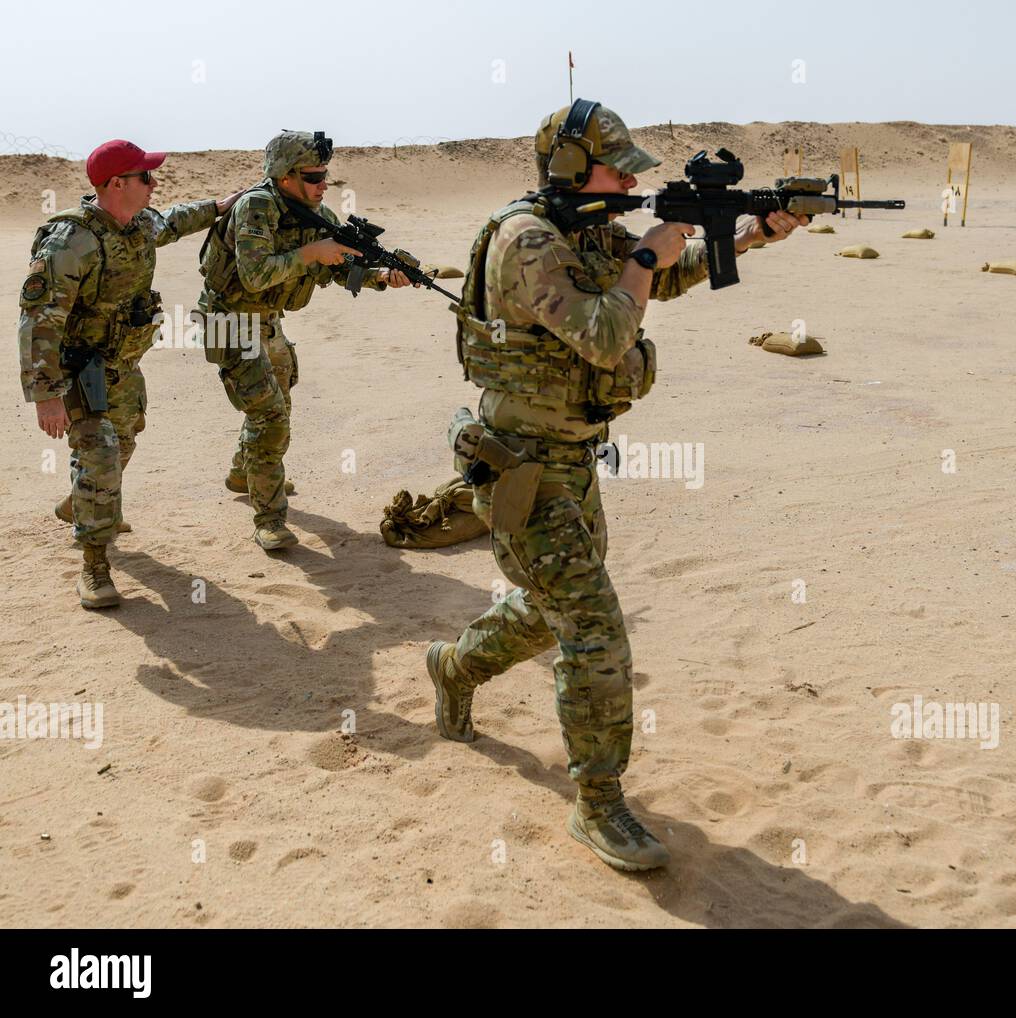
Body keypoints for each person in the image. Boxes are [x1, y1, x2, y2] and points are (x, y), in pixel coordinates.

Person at [427, 100, 807, 871]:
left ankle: (454, 665)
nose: (625, 181)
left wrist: (751, 235)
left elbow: (662, 283)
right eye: (611, 167)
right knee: (594, 629)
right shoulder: (528, 240)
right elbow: (606, 333)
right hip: (521, 465)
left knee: (549, 612)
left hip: (571, 460)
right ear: (568, 169)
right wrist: (644, 257)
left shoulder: (587, 229)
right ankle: (598, 802)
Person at [19, 139, 239, 608]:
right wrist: (46, 395)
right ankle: (94, 565)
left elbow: (176, 221)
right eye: (145, 177)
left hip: (123, 364)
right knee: (99, 453)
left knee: (127, 438)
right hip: (79, 368)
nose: (154, 183)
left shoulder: (138, 223)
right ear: (116, 184)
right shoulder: (70, 241)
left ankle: (81, 502)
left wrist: (219, 207)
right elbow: (40, 320)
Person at [195, 130, 411, 551]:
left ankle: (245, 471)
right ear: (285, 176)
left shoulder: (317, 214)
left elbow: (338, 268)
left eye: (325, 176)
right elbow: (256, 275)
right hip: (229, 320)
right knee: (269, 416)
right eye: (314, 177)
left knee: (277, 399)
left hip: (266, 321)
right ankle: (269, 519)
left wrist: (382, 276)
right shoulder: (256, 207)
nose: (322, 184)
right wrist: (314, 253)